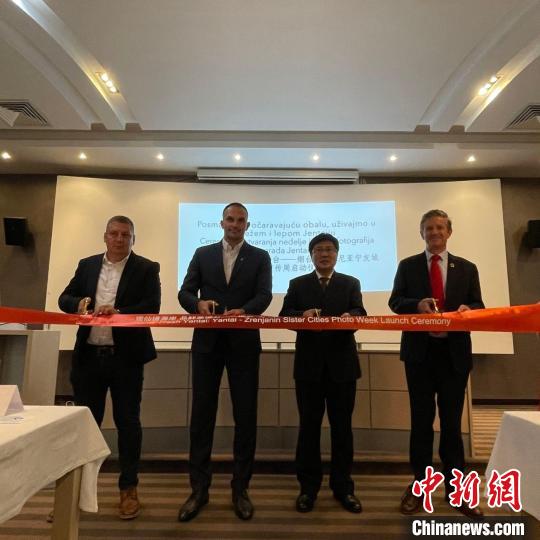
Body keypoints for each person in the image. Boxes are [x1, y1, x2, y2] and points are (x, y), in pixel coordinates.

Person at [58, 216, 160, 520]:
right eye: (114, 234)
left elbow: (151, 307)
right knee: (85, 426)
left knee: (128, 424)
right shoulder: (87, 265)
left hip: (126, 359)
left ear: (133, 239)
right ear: (105, 236)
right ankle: (77, 493)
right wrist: (80, 304)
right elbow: (64, 298)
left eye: (125, 235)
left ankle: (128, 489)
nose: (119, 239)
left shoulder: (146, 268)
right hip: (89, 358)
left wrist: (119, 312)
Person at [178, 202, 272, 522]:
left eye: (240, 220)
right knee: (201, 416)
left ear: (248, 225)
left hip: (244, 344)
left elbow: (264, 295)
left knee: (245, 417)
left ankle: (240, 489)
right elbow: (185, 292)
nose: (235, 224)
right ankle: (199, 490)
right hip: (207, 344)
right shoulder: (202, 253)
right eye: (230, 219)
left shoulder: (260, 256)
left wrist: (245, 311)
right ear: (221, 223)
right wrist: (198, 304)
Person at [388, 209, 484, 519]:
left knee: (452, 424)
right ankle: (420, 486)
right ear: (421, 233)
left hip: (454, 355)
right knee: (421, 422)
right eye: (429, 228)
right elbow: (395, 302)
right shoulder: (408, 266)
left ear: (448, 232)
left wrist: (469, 309)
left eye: (440, 227)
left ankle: (457, 491)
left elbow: (479, 304)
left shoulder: (467, 268)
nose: (434, 233)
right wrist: (416, 305)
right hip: (420, 354)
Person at [279, 233, 366, 514]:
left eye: (329, 249)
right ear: (311, 255)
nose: (324, 254)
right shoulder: (298, 284)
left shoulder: (350, 283)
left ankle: (344, 488)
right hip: (309, 368)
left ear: (337, 254)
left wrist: (352, 317)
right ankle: (308, 488)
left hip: (343, 368)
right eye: (319, 250)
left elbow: (361, 312)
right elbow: (284, 315)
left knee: (343, 430)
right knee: (308, 429)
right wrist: (301, 317)